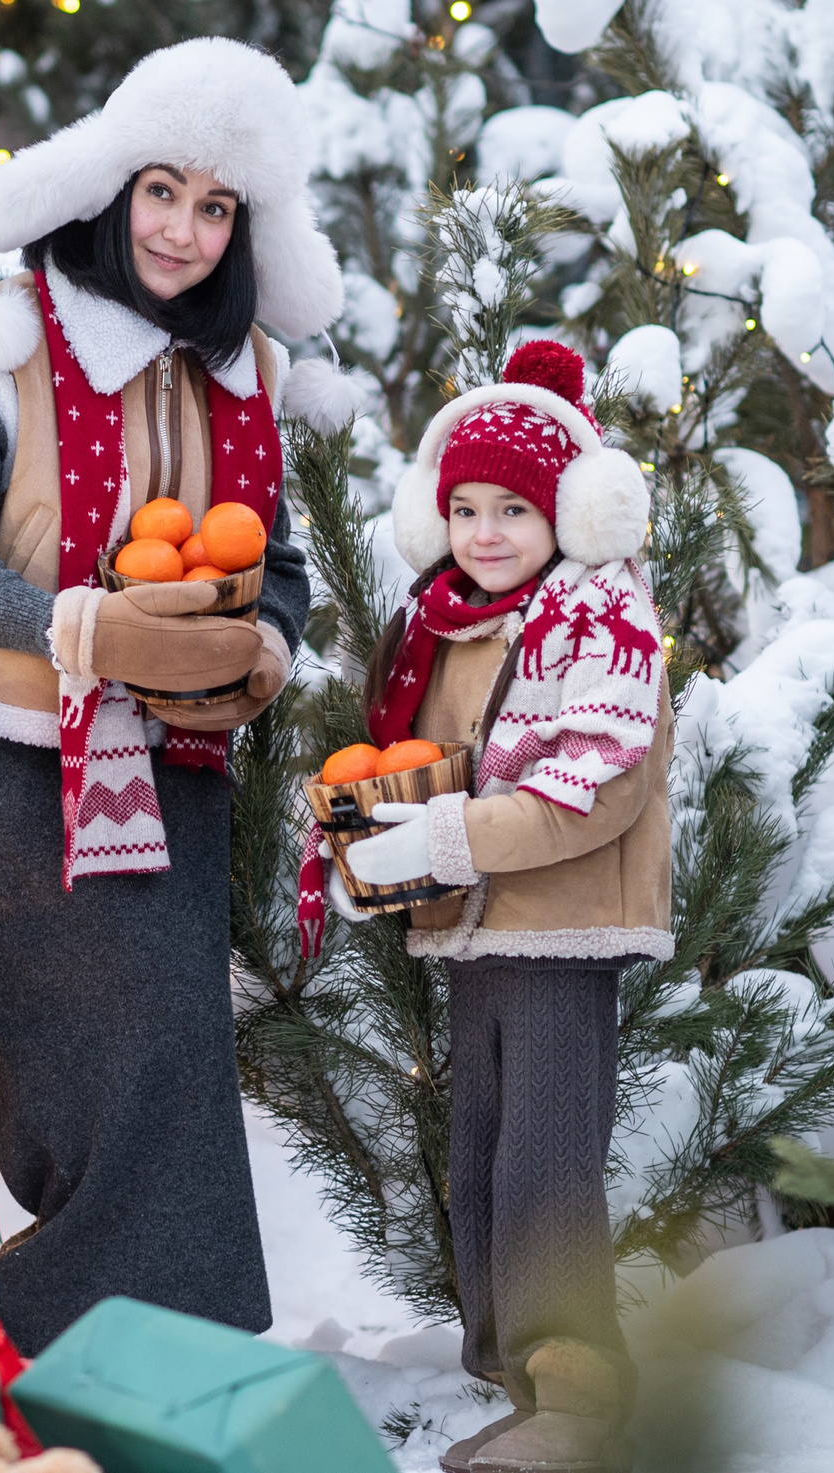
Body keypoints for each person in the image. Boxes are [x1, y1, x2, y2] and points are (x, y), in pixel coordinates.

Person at [0, 38, 343, 1353]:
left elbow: (281, 566)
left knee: (173, 1047)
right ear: (110, 185)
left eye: (217, 207)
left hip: (182, 752)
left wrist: (261, 656)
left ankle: (159, 1342)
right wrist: (73, 622)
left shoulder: (240, 368)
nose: (186, 232)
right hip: (27, 754)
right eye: (163, 192)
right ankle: (92, 1335)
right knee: (74, 1054)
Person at [341, 339, 672, 1473]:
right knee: (480, 1148)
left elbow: (592, 788)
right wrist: (364, 836)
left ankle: (577, 1391)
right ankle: (515, 1379)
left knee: (544, 1157)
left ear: (572, 514)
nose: (485, 532)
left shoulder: (598, 618)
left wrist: (440, 836)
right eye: (465, 508)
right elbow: (426, 763)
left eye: (514, 510)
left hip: (563, 929)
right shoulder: (450, 621)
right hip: (478, 929)